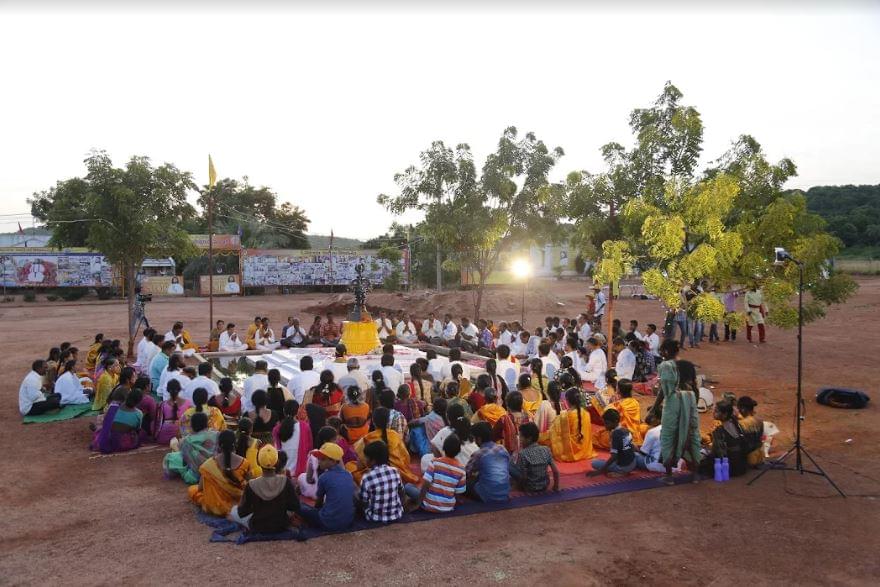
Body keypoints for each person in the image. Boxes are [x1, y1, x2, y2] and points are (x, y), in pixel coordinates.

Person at [652, 339, 701, 484]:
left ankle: (669, 476)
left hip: (673, 401)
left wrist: (654, 408)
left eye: (662, 351)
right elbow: (696, 388)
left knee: (668, 435)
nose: (661, 354)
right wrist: (693, 406)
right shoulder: (688, 365)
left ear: (666, 351)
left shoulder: (666, 366)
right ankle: (695, 475)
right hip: (690, 399)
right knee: (692, 435)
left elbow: (664, 391)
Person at [228, 445, 299, 534]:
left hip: (258, 526)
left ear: (258, 462)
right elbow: (295, 506)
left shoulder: (251, 484)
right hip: (281, 524)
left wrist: (258, 507)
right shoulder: (285, 481)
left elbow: (242, 512)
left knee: (233, 510)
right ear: (277, 461)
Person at [188, 430, 252, 516]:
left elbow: (200, 488)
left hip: (214, 506)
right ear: (234, 443)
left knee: (193, 490)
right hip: (239, 503)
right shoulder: (245, 463)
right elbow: (249, 487)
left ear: (219, 445)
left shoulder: (209, 465)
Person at [353, 407, 419, 485]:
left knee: (351, 468)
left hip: (375, 475)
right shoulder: (395, 435)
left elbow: (360, 464)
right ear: (388, 421)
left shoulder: (367, 438)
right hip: (399, 473)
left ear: (373, 421)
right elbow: (406, 457)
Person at [298, 442, 356, 531]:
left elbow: (318, 503)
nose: (319, 461)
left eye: (323, 459)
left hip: (328, 523)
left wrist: (314, 512)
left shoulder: (324, 477)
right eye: (319, 458)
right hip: (348, 521)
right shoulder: (348, 474)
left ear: (333, 461)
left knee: (301, 507)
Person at [405, 433, 467, 512]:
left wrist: (418, 502)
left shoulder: (435, 462)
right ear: (458, 451)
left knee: (408, 486)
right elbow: (458, 493)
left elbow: (426, 484)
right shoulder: (461, 469)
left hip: (428, 504)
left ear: (443, 448)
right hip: (448, 507)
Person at [540, 387, 593, 462]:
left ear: (567, 400)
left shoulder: (566, 415)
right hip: (585, 448)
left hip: (570, 450)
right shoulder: (586, 413)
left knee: (544, 439)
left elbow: (554, 432)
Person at [357, 441, 405, 524]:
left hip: (375, 518)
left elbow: (363, 502)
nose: (364, 459)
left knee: (355, 495)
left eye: (366, 457)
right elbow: (401, 492)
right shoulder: (395, 471)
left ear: (373, 460)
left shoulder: (367, 477)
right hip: (397, 515)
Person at [163, 412, 218, 484]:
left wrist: (175, 445)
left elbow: (185, 455)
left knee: (169, 458)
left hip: (195, 475)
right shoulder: (216, 434)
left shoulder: (187, 441)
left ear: (192, 425)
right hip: (215, 470)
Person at [699, 401, 749, 478]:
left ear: (725, 414)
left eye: (716, 411)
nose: (713, 413)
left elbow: (719, 453)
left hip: (731, 468)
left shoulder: (719, 431)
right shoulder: (736, 424)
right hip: (742, 466)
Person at [593, 379, 646, 449]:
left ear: (618, 390)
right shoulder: (635, 403)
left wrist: (610, 403)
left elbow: (606, 415)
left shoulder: (618, 404)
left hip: (621, 435)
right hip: (634, 434)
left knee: (595, 437)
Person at [465, 422, 510, 503]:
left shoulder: (479, 454)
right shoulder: (502, 449)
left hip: (486, 495)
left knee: (465, 484)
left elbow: (466, 473)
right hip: (505, 493)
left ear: (479, 439)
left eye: (475, 439)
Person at [509, 422, 559, 493]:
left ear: (529, 438)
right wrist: (556, 486)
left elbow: (524, 476)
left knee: (509, 465)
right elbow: (555, 471)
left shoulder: (523, 453)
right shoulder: (546, 449)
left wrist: (519, 486)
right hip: (544, 485)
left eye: (521, 437)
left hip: (529, 487)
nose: (520, 439)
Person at [589, 408, 637, 477]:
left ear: (615, 421)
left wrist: (601, 470)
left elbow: (614, 456)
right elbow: (632, 447)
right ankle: (624, 469)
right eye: (604, 423)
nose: (605, 426)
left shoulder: (615, 434)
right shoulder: (626, 430)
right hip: (633, 463)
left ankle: (621, 472)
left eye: (607, 423)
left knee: (594, 463)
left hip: (624, 466)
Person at [273, 399, 312, 478]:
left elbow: (276, 449)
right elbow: (309, 448)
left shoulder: (277, 428)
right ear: (297, 411)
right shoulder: (305, 427)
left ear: (284, 411)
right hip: (300, 473)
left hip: (282, 472)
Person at [155, 379, 192, 445]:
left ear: (168, 390)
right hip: (182, 435)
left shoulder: (162, 404)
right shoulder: (188, 403)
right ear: (180, 389)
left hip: (164, 436)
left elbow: (158, 423)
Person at [493, 391, 530, 455]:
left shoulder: (504, 419)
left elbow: (493, 436)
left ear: (507, 405)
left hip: (510, 456)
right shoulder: (528, 417)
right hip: (528, 454)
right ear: (521, 404)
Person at [736, 396, 765, 467]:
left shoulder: (741, 423)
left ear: (743, 409)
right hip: (760, 456)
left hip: (749, 459)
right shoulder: (759, 420)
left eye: (739, 408)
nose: (738, 410)